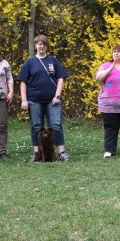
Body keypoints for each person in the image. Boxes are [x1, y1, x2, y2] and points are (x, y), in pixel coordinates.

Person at [18, 34, 69, 162]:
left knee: (56, 125)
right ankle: (37, 153)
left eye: (44, 44)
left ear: (47, 46)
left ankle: (61, 152)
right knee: (36, 126)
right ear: (35, 45)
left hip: (52, 100)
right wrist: (24, 99)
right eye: (39, 44)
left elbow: (60, 78)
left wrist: (57, 95)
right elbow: (23, 82)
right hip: (34, 100)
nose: (42, 46)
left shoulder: (53, 60)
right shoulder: (30, 62)